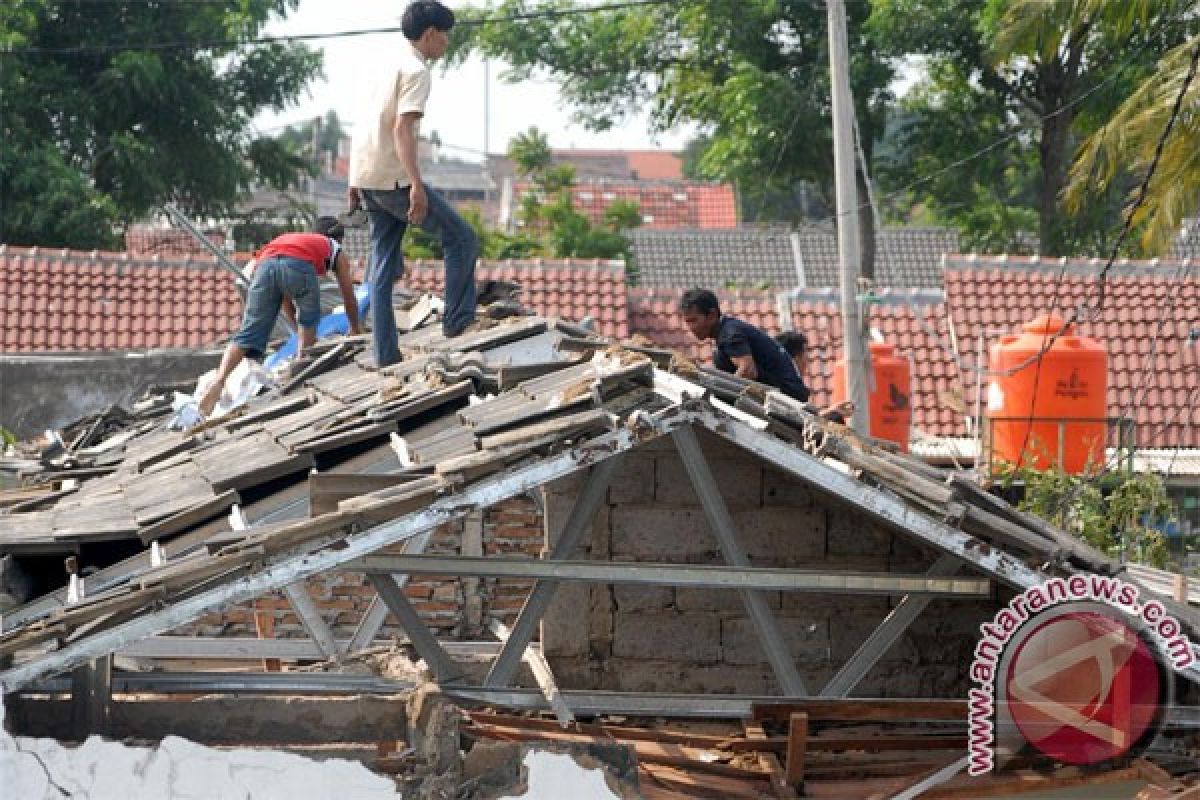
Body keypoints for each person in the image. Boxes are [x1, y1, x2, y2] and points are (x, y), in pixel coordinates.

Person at [348, 0, 478, 368]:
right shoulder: (417, 71)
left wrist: (354, 180)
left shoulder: (381, 66)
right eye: (445, 36)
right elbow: (402, 128)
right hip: (394, 179)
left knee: (384, 267)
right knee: (462, 238)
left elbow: (361, 123)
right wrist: (417, 186)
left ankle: (385, 354)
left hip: (369, 178)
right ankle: (458, 321)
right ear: (431, 33)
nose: (447, 44)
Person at [197, 217, 361, 417]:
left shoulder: (291, 239)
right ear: (338, 238)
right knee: (310, 318)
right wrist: (354, 328)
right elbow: (348, 294)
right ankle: (302, 364)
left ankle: (219, 380)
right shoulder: (333, 247)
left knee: (248, 332)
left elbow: (284, 299)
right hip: (297, 265)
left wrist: (296, 332)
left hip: (264, 265)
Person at [678, 288, 809, 401]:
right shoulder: (725, 332)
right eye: (687, 322)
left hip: (788, 396)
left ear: (712, 315)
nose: (691, 327)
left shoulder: (730, 334)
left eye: (694, 320)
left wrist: (717, 397)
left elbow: (747, 371)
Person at [776, 330, 854, 423]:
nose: (807, 361)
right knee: (835, 420)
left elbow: (802, 416)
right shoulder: (790, 386)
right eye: (805, 354)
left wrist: (832, 410)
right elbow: (800, 420)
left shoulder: (778, 378)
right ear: (797, 357)